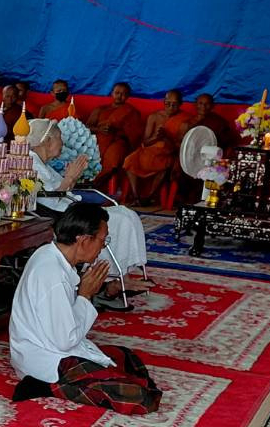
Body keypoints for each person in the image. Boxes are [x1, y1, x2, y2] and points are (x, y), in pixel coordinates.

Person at [9, 203, 161, 415]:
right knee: (139, 397)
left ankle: (71, 382)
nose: (103, 247)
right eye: (103, 240)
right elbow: (64, 340)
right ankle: (44, 387)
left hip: (56, 350)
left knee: (125, 357)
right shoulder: (51, 274)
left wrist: (86, 292)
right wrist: (85, 295)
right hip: (47, 360)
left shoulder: (51, 254)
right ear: (83, 240)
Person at [27, 118, 147, 306]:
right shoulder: (31, 163)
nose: (62, 143)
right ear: (47, 141)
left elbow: (60, 192)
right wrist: (70, 178)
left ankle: (118, 275)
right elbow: (50, 200)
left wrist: (72, 179)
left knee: (124, 214)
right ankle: (110, 280)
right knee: (118, 220)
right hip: (60, 218)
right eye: (59, 138)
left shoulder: (42, 164)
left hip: (68, 210)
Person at [122, 89, 191, 205]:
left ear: (180, 104)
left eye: (174, 104)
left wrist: (166, 136)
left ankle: (148, 197)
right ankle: (135, 196)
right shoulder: (154, 117)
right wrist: (157, 137)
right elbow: (145, 142)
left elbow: (179, 147)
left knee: (165, 166)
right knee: (129, 160)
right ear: (163, 102)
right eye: (168, 103)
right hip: (149, 150)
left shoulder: (185, 120)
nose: (170, 107)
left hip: (168, 152)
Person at [86, 83, 144, 187]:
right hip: (98, 141)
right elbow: (87, 127)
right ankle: (88, 182)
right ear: (112, 93)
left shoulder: (132, 112)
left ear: (127, 96)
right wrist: (99, 129)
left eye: (123, 94)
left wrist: (118, 130)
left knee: (113, 160)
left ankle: (96, 184)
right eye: (117, 93)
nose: (119, 96)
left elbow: (136, 136)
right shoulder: (100, 109)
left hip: (119, 142)